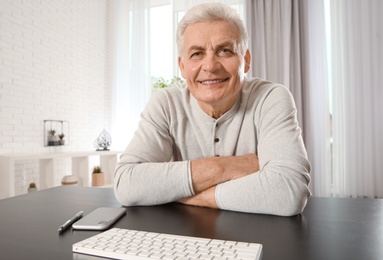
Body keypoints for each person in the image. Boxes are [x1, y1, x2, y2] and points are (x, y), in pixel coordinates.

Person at [114, 2, 311, 216]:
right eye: (197, 54)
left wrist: (181, 194)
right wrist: (224, 167)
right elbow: (127, 184)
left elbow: (288, 193)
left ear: (245, 60)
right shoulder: (165, 103)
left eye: (225, 51)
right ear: (182, 66)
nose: (210, 66)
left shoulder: (271, 98)